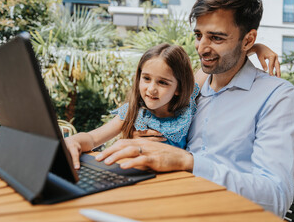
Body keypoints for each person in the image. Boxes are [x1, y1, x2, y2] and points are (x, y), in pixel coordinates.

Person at [94, 0, 294, 218]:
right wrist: (142, 137)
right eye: (198, 35)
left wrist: (189, 162)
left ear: (247, 40)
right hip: (167, 203)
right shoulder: (191, 90)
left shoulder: (277, 96)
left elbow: (275, 199)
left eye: (216, 37)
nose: (201, 48)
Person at [65, 42, 279, 169]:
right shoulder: (134, 113)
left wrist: (255, 48)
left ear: (178, 87)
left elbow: (222, 59)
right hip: (139, 180)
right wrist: (74, 140)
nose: (151, 89)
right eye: (146, 78)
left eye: (163, 82)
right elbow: (93, 138)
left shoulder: (188, 103)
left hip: (180, 181)